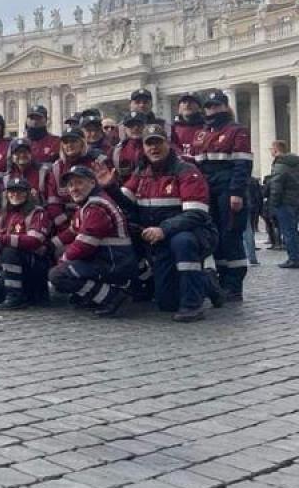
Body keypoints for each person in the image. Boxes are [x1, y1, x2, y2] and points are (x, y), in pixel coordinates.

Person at [99, 124, 217, 322]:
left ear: (168, 144)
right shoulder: (141, 173)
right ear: (144, 147)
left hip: (193, 233)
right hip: (160, 238)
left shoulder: (187, 171)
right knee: (166, 303)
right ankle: (208, 282)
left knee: (183, 242)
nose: (154, 148)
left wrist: (163, 229)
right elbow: (128, 204)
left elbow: (197, 214)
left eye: (158, 142)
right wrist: (110, 188)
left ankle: (192, 305)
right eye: (149, 144)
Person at [48, 166, 138, 317]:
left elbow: (85, 245)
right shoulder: (87, 204)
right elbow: (72, 231)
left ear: (92, 182)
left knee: (57, 275)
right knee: (58, 254)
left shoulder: (97, 206)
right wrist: (49, 245)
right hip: (108, 259)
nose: (74, 189)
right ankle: (93, 295)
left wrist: (62, 262)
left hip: (114, 263)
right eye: (70, 185)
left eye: (79, 183)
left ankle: (111, 297)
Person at [190, 90, 252, 300]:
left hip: (227, 188)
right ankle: (222, 280)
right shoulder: (201, 133)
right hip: (208, 189)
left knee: (230, 235)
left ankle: (234, 285)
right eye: (208, 106)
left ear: (225, 107)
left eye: (216, 106)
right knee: (215, 235)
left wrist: (236, 192)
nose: (212, 110)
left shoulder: (237, 131)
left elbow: (242, 164)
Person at [0, 176, 50, 310]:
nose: (15, 194)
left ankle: (15, 297)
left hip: (33, 262)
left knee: (9, 250)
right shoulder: (4, 215)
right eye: (11, 191)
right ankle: (23, 292)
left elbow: (35, 241)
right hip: (10, 263)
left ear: (28, 194)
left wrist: (4, 239)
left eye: (20, 191)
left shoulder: (38, 213)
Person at [268, 140, 299, 269]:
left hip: (284, 202)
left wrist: (272, 204)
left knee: (288, 231)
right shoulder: (295, 163)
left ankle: (294, 259)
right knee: (293, 230)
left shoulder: (280, 164)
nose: (270, 151)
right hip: (295, 200)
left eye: (271, 149)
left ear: (276, 150)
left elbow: (276, 186)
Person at [6, 137, 49, 204]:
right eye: (17, 152)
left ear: (31, 154)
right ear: (11, 156)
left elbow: (49, 199)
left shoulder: (43, 174)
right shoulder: (7, 177)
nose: (22, 155)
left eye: (25, 151)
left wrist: (37, 198)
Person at [111, 111, 147, 183]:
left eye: (139, 125)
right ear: (125, 129)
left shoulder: (155, 145)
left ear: (145, 126)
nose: (135, 128)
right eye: (131, 125)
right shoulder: (118, 150)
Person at [170, 92, 204, 160]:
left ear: (200, 108)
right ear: (178, 108)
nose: (187, 105)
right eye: (184, 102)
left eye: (191, 102)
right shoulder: (171, 130)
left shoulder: (207, 128)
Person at [244, 176, 262, 266]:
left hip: (239, 205)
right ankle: (252, 258)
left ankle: (244, 257)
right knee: (249, 231)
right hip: (250, 206)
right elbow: (258, 196)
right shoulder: (252, 180)